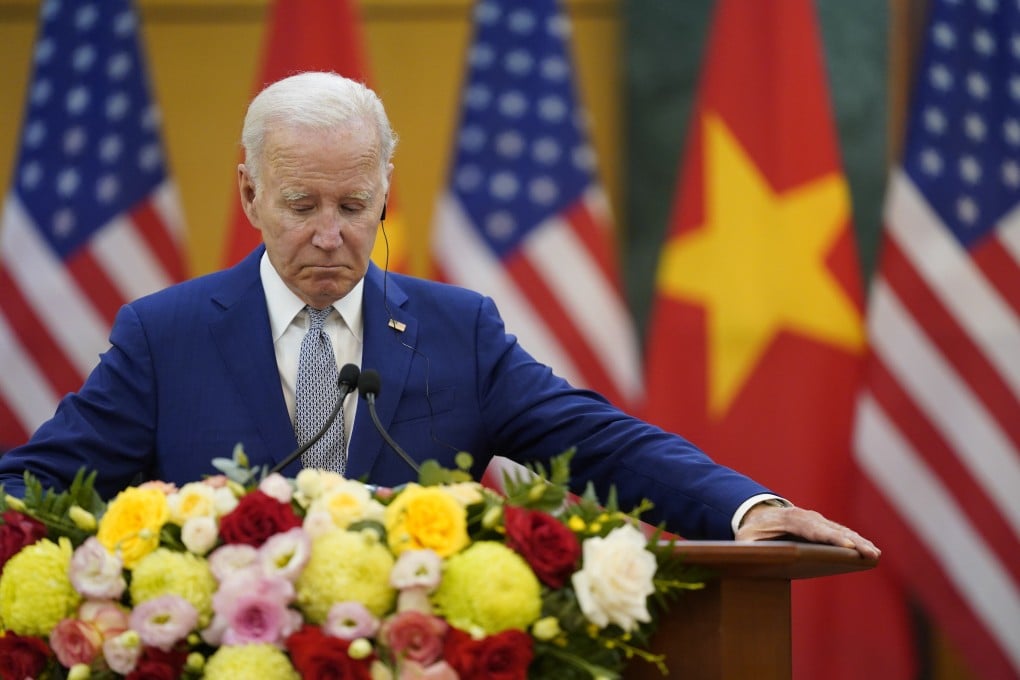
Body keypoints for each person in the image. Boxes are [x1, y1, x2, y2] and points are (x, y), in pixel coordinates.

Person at [0, 72, 878, 559]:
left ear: (385, 195)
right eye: (302, 205)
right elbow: (37, 486)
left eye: (354, 206)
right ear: (250, 193)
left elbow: (600, 442)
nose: (331, 235)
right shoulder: (166, 336)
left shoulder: (460, 331)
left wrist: (745, 508)